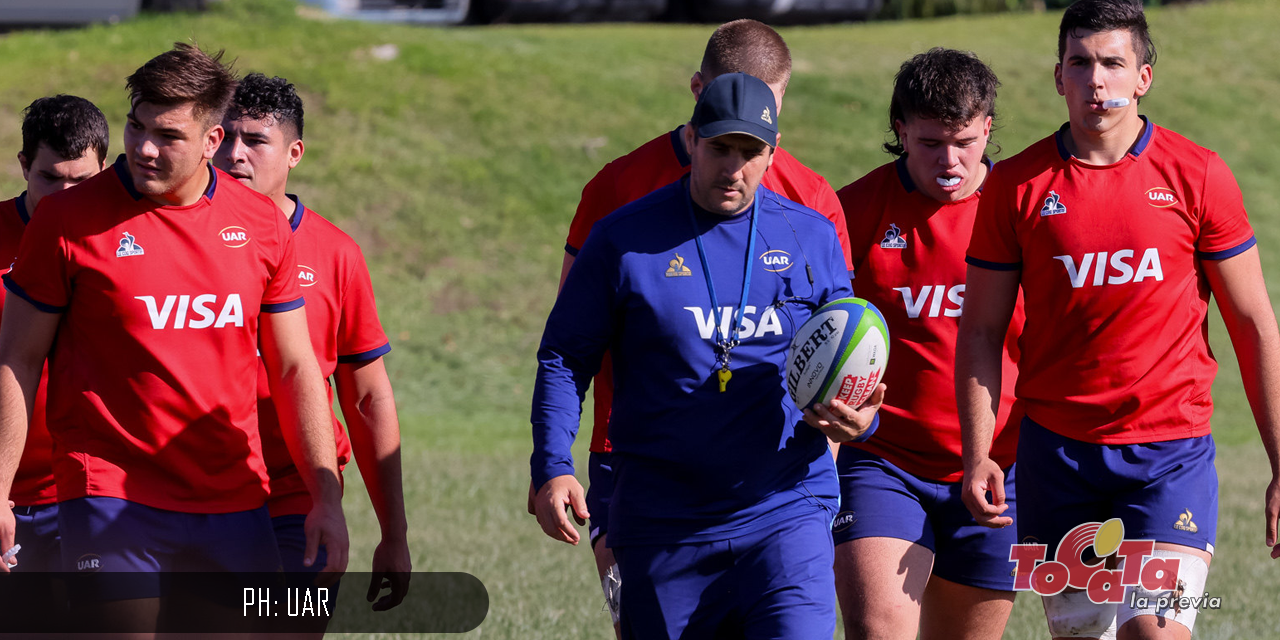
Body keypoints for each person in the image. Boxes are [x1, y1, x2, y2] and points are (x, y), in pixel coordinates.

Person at [958, 2, 1280, 639]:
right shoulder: (1016, 187)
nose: (1096, 80)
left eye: (1112, 63)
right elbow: (982, 332)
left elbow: (1254, 324)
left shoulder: (1199, 176)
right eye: (1080, 63)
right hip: (1058, 457)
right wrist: (978, 452)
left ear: (1144, 77)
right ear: (1058, 77)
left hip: (1169, 455)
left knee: (1153, 633)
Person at [0, 44, 348, 630]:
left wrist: (326, 497)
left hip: (235, 499)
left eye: (168, 135)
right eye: (136, 127)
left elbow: (294, 367)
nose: (143, 148)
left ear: (213, 141)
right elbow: (18, 358)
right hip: (109, 493)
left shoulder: (262, 227)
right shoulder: (66, 221)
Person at [531, 19, 855, 633]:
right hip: (663, 517)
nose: (733, 168)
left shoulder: (809, 234)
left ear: (773, 148)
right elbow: (565, 355)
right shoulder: (624, 237)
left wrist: (854, 414)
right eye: (719, 148)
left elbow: (841, 356)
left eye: (750, 152)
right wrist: (552, 462)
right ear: (690, 137)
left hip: (784, 508)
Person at [834, 48, 1022, 640]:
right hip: (884, 459)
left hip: (1002, 467)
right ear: (900, 131)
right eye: (929, 143)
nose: (950, 161)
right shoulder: (853, 210)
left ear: (988, 127)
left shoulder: (1026, 207)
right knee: (880, 629)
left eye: (965, 141)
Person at [214, 72, 411, 614]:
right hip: (192, 490)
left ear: (294, 152)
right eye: (224, 137)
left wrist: (393, 533)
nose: (234, 155)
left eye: (255, 140)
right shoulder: (176, 237)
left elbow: (367, 397)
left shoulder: (335, 253)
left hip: (299, 493)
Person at [2, 95, 110, 577]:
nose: (64, 196)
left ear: (105, 168)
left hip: (96, 491)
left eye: (80, 182)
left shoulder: (128, 242)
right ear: (24, 165)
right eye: (50, 178)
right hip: (9, 493)